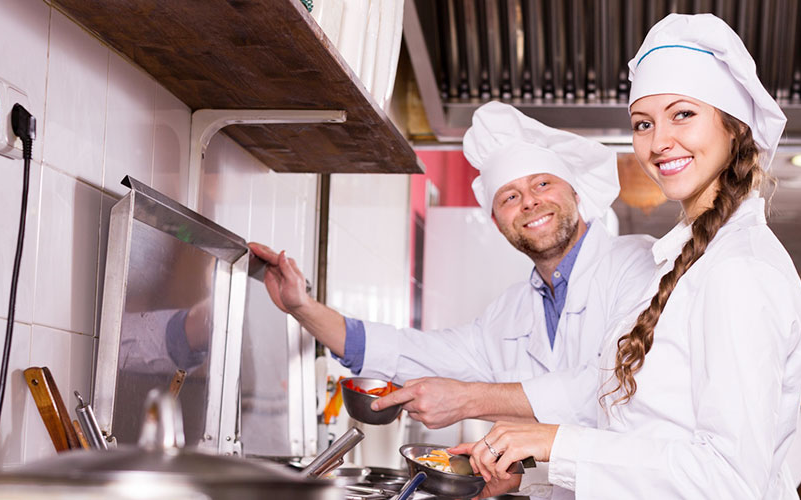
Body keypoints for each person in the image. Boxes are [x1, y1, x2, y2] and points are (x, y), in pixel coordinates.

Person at [458, 14, 801, 499]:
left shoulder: (739, 270)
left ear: (734, 127)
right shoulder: (682, 260)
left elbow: (730, 480)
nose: (659, 142)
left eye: (682, 114)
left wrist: (557, 443)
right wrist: (534, 462)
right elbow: (646, 439)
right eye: (643, 123)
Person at [249, 101, 655, 497]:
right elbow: (415, 353)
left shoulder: (638, 266)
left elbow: (613, 388)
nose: (530, 201)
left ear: (576, 192)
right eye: (509, 197)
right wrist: (302, 307)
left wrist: (468, 399)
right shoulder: (510, 311)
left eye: (542, 184)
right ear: (497, 222)